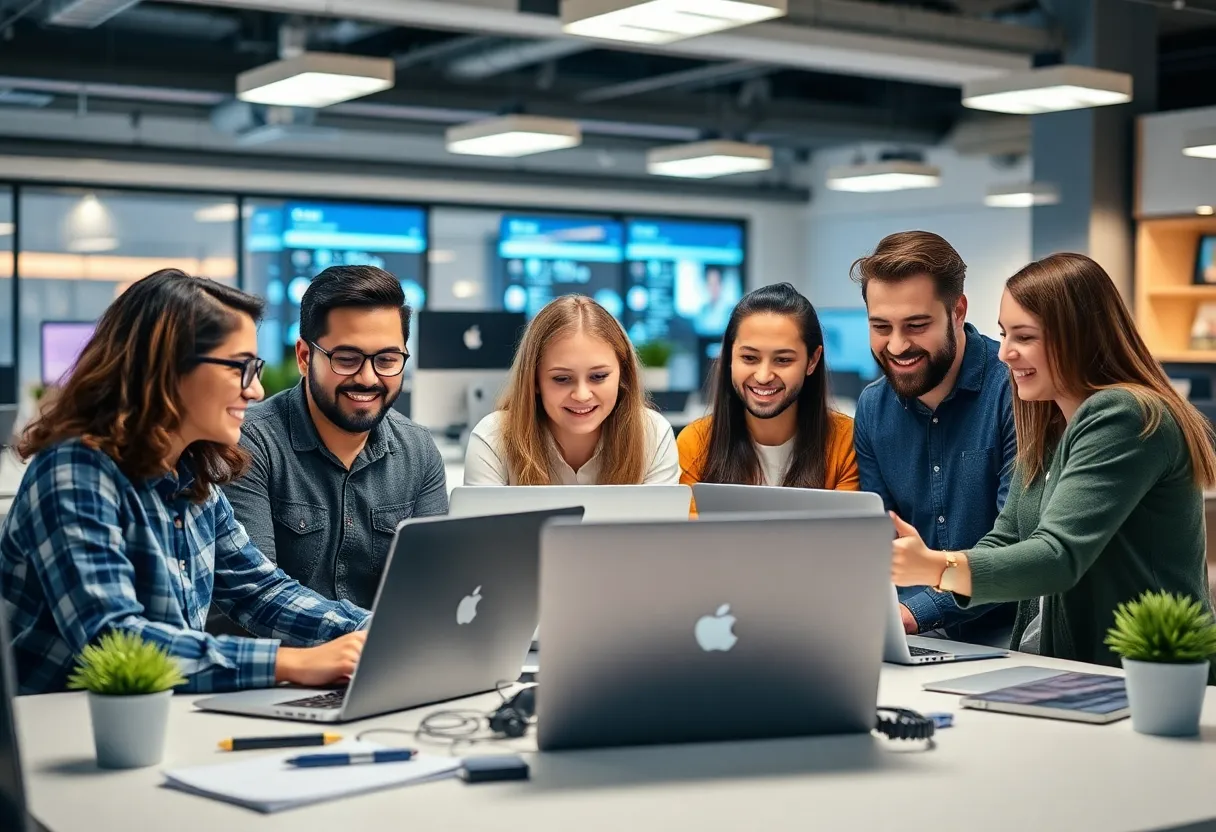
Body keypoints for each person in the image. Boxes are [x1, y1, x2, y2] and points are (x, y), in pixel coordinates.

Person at [0, 269, 370, 696]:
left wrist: (372, 630)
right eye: (241, 367)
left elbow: (259, 591)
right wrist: (292, 663)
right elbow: (114, 640)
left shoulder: (194, 477)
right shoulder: (74, 472)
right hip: (65, 725)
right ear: (170, 367)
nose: (255, 390)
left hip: (161, 716)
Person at [890, 252, 1216, 672]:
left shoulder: (1125, 415)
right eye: (1003, 334)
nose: (1005, 353)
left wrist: (937, 566)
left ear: (1078, 338)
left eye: (1024, 337)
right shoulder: (1048, 424)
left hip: (1147, 675)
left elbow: (1057, 557)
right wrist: (919, 602)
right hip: (1068, 670)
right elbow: (1006, 540)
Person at [222, 265, 447, 614]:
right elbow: (256, 595)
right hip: (280, 649)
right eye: (347, 359)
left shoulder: (418, 451)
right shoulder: (249, 443)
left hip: (384, 646)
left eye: (387, 360)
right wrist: (368, 631)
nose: (368, 378)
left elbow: (432, 585)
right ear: (304, 357)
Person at [851, 231, 1017, 642]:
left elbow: (1014, 544)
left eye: (916, 325)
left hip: (1007, 635)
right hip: (910, 633)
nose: (896, 345)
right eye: (881, 326)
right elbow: (882, 541)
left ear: (957, 311)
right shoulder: (873, 408)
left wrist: (915, 613)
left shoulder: (1014, 392)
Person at [463, 294, 680, 485]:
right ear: (534, 380)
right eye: (562, 379)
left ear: (622, 375)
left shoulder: (652, 435)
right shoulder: (494, 438)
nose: (582, 395)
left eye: (598, 377)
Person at [678, 283, 859, 503]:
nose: (763, 376)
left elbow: (846, 525)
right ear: (729, 356)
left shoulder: (844, 442)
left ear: (812, 360)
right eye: (749, 358)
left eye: (783, 360)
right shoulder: (696, 444)